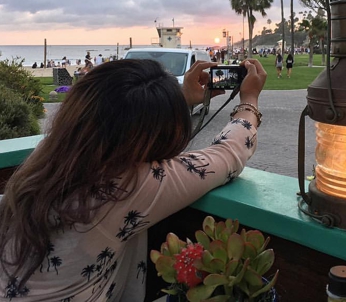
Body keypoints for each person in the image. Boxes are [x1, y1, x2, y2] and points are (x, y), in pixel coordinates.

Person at [0, 58, 267, 300]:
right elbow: (228, 154)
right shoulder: (123, 187)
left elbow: (111, 117)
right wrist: (249, 100)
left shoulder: (47, 156)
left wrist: (179, 98)